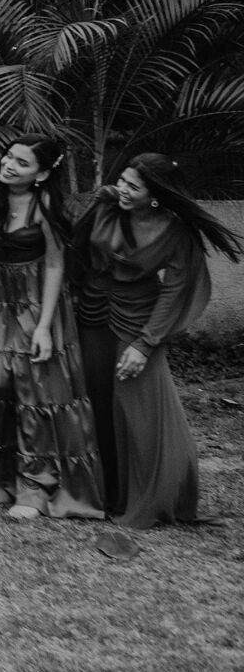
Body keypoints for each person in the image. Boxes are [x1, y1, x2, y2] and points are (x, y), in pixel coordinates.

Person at [74, 154, 240, 528]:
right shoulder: (105, 203)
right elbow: (78, 252)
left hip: (137, 320)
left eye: (134, 186)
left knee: (141, 411)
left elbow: (177, 288)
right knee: (97, 403)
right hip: (92, 312)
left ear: (155, 194)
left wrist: (146, 343)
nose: (124, 189)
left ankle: (157, 495)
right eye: (124, 180)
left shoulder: (175, 230)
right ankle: (107, 494)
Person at [0, 133, 104, 520]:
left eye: (22, 163)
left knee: (35, 392)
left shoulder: (45, 204)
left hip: (36, 303)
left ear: (42, 174)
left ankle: (35, 487)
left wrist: (44, 327)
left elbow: (56, 265)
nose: (9, 165)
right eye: (8, 157)